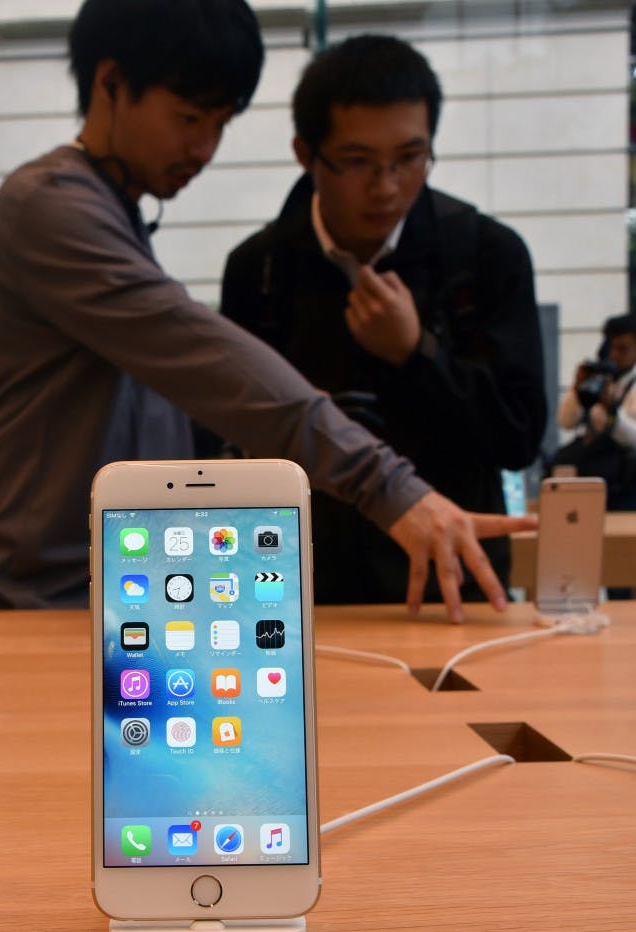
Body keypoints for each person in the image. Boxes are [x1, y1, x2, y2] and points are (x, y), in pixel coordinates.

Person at [0, 0, 535, 622]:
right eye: (188, 118)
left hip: (117, 584)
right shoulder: (52, 209)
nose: (204, 148)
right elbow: (210, 364)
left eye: (221, 123)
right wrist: (387, 486)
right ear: (111, 84)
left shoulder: (110, 208)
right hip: (45, 598)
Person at [221, 34, 546, 604]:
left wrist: (417, 354)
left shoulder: (485, 254)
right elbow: (231, 441)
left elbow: (518, 438)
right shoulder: (261, 269)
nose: (387, 187)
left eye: (410, 158)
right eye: (358, 162)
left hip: (453, 589)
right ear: (305, 154)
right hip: (298, 591)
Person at [555, 313, 636, 509]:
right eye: (612, 347)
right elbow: (566, 421)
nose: (615, 355)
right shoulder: (603, 378)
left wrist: (612, 411)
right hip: (594, 478)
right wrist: (578, 389)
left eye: (623, 348)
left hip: (626, 485)